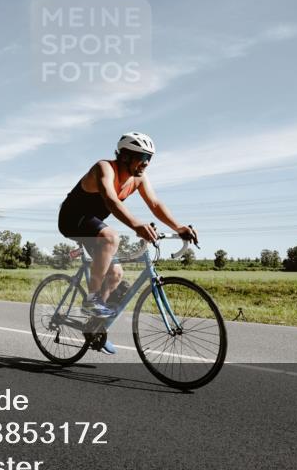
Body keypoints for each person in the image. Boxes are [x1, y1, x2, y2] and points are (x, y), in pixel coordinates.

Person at [58, 132, 197, 354]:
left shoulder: (138, 178)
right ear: (125, 156)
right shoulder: (104, 168)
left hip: (92, 225)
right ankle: (91, 300)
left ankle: (94, 327)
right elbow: (110, 200)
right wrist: (136, 225)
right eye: (142, 156)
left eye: (150, 157)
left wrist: (179, 227)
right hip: (71, 219)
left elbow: (155, 203)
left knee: (116, 274)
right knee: (111, 237)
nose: (147, 163)